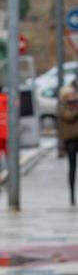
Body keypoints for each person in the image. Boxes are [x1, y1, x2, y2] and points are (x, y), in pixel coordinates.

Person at [58, 77, 78, 206]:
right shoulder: (63, 107)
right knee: (72, 168)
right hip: (71, 141)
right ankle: (71, 194)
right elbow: (68, 117)